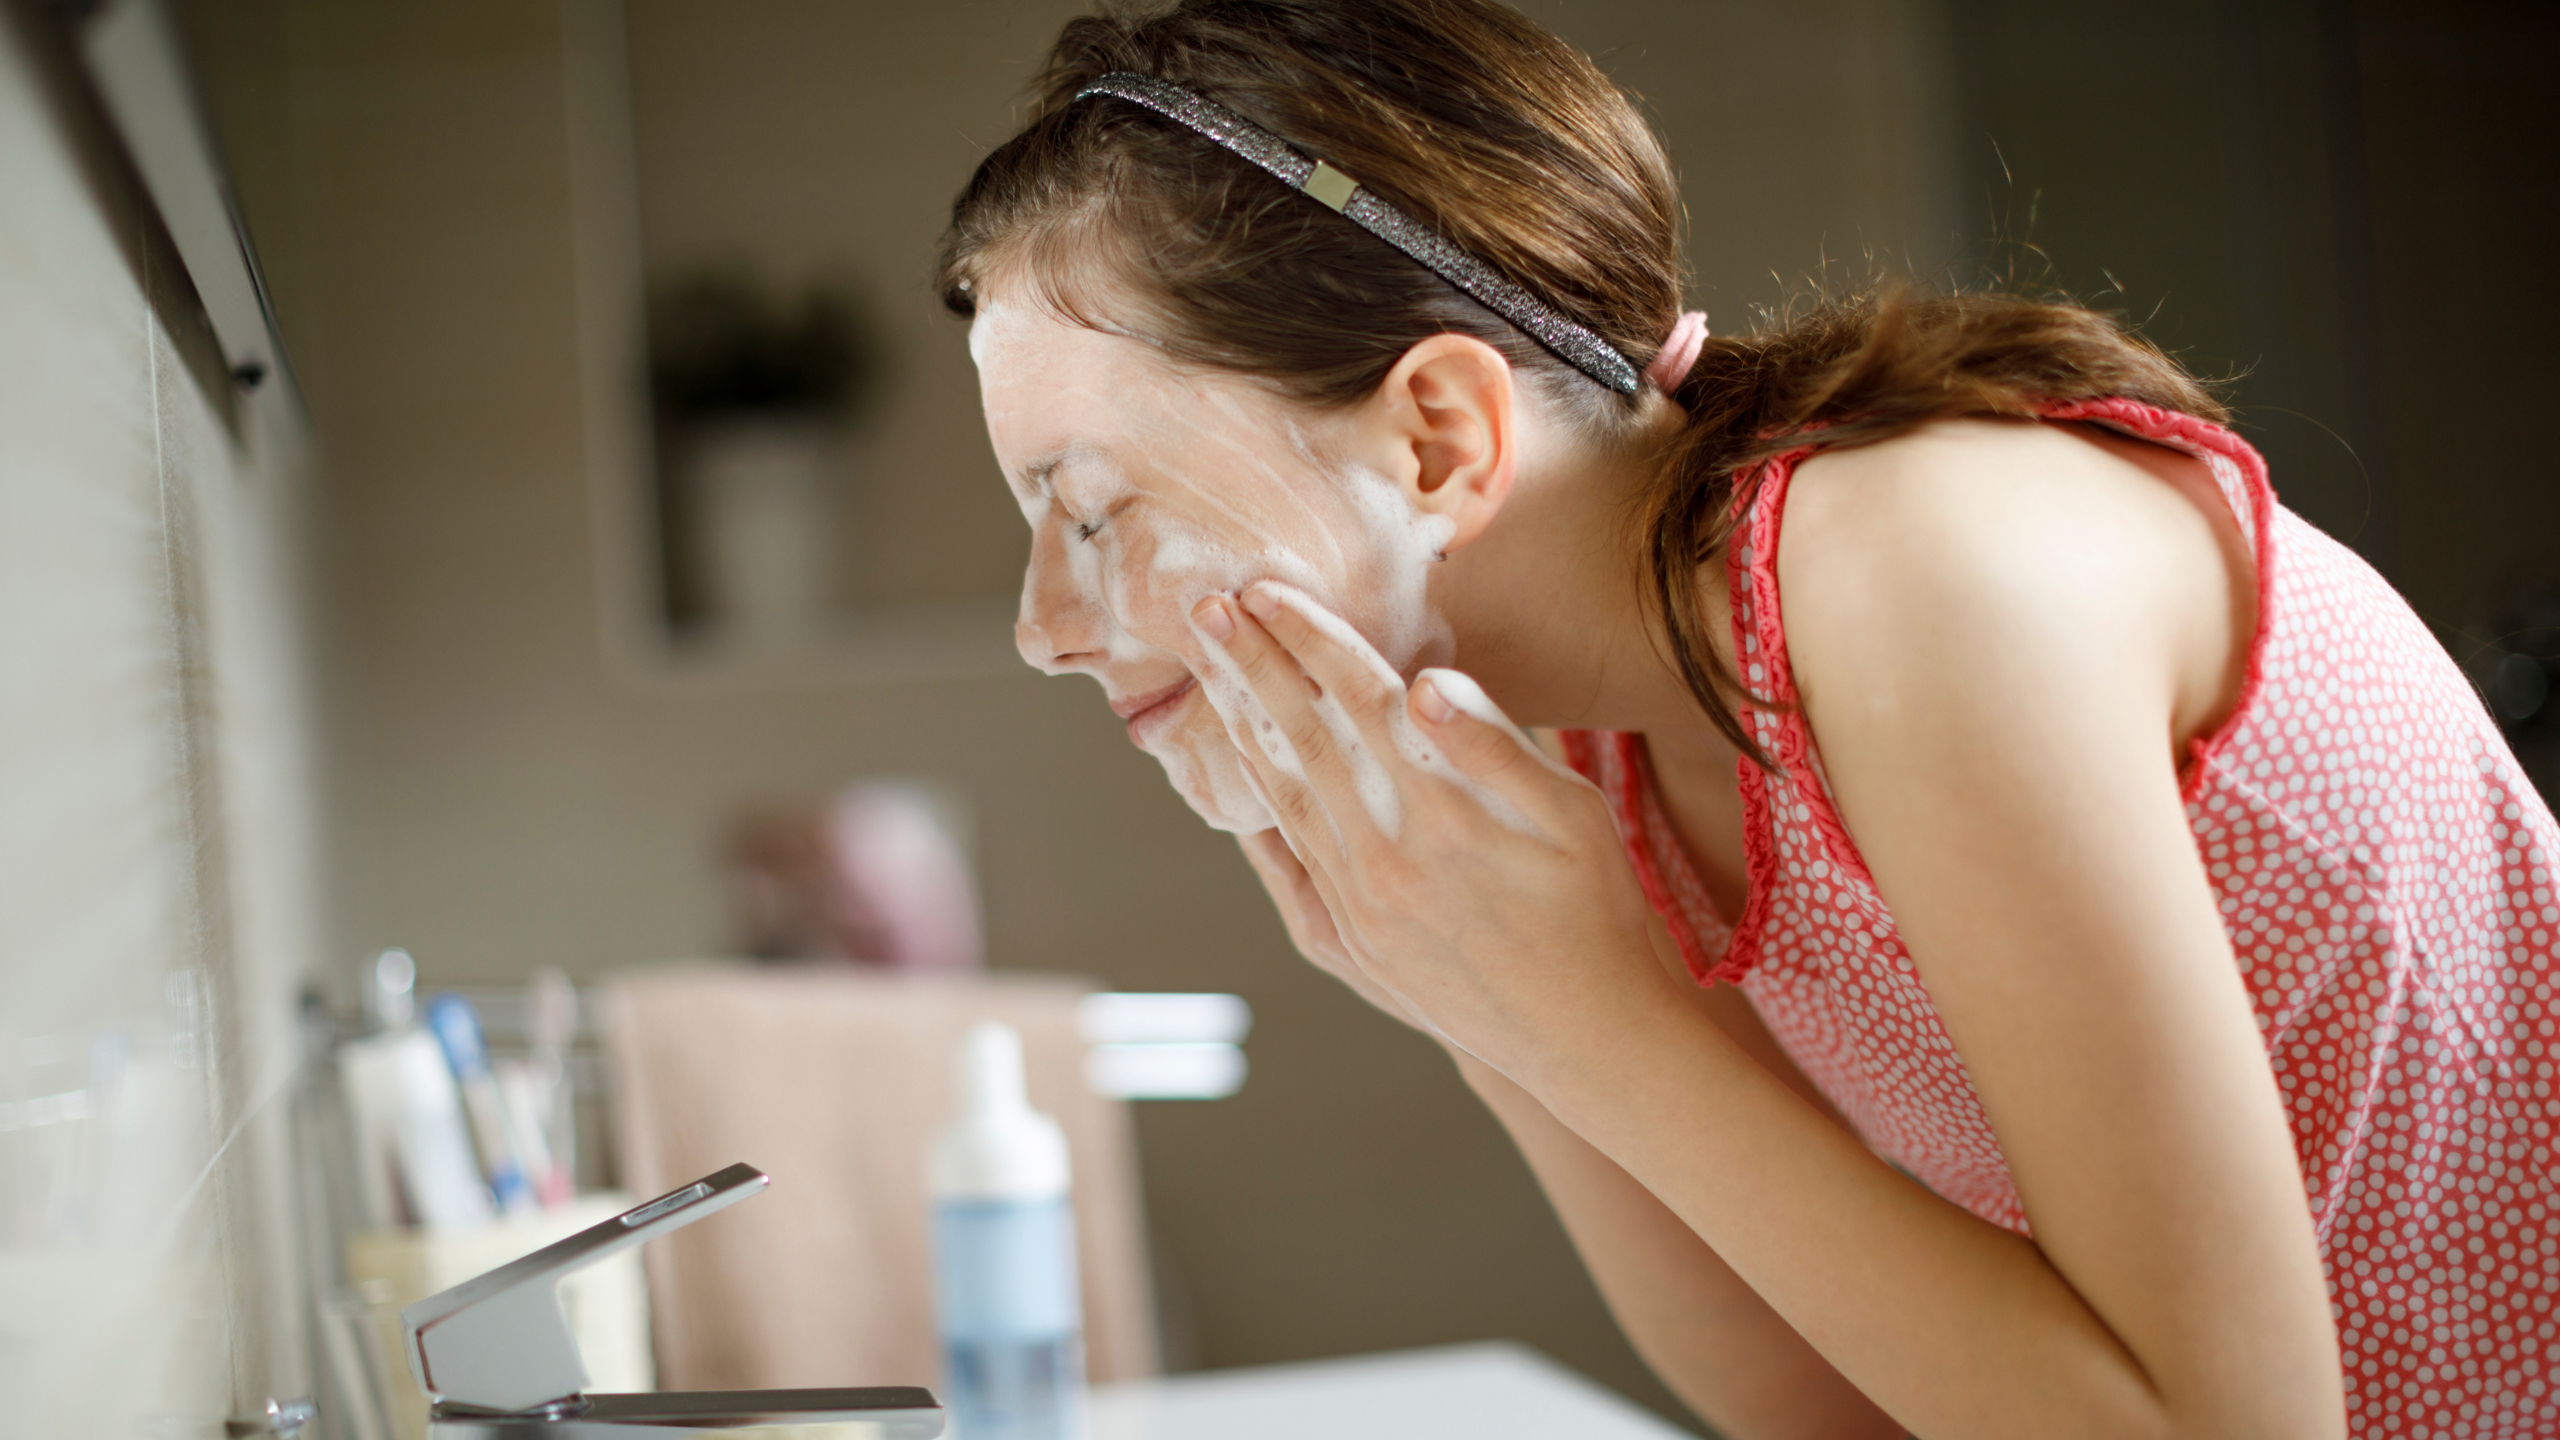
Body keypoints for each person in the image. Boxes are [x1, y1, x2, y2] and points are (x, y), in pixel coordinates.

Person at [938, 3, 2560, 1435]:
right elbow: (1822, 1405)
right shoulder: (1570, 734)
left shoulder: (1929, 581)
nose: (1045, 632)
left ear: (1437, 439)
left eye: (1091, 512)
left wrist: (1589, 1019)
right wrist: (1468, 986)